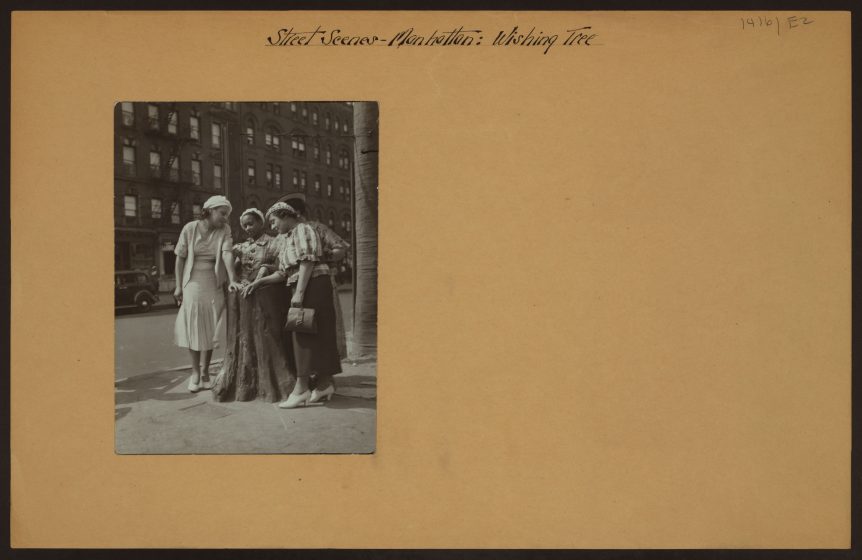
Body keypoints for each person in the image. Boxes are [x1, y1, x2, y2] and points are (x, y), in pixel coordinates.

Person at [243, 202, 342, 409]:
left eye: (274, 221)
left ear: (285, 215)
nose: (273, 226)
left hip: (312, 284)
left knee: (301, 334)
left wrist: (299, 292)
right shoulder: (288, 237)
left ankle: (301, 389)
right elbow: (284, 272)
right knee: (317, 333)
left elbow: (307, 262)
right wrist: (260, 281)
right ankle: (324, 384)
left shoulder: (302, 229)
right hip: (308, 284)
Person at [212, 208, 294, 402]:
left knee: (269, 337)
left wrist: (265, 269)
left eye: (251, 223)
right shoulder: (242, 247)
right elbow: (229, 262)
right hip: (245, 297)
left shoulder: (275, 242)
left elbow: (281, 266)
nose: (248, 228)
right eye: (244, 225)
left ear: (260, 222)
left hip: (268, 296)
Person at [173, 195, 243, 393]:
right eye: (222, 214)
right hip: (193, 281)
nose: (225, 218)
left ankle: (205, 373)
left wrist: (232, 280)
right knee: (194, 326)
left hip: (215, 280)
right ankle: (195, 372)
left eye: (227, 215)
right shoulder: (190, 228)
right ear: (210, 211)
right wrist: (178, 286)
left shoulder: (224, 230)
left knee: (210, 327)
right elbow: (180, 259)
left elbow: (227, 254)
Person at [277, 193, 350, 359]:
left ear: (294, 212)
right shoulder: (285, 233)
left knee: (323, 323)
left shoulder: (317, 227)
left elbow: (341, 249)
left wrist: (321, 256)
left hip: (320, 278)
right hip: (295, 281)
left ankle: (326, 367)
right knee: (301, 325)